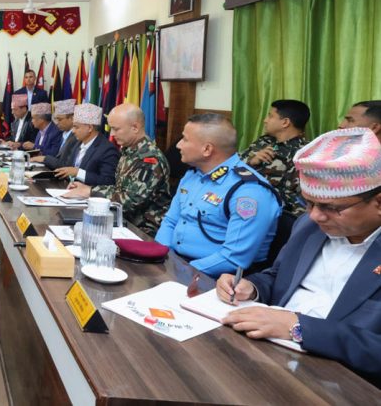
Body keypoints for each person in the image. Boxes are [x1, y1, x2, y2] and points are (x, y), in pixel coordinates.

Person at [216, 127, 381, 387]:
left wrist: (300, 328)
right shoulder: (309, 227)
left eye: (331, 207)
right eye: (309, 203)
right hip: (269, 353)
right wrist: (252, 287)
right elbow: (277, 276)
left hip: (340, 380)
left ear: (378, 203)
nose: (315, 216)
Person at [155, 113, 281, 276]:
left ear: (207, 149)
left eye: (185, 139)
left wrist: (180, 272)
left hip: (219, 277)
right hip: (176, 264)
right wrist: (160, 258)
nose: (178, 145)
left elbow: (233, 259)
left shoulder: (249, 191)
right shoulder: (193, 174)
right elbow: (170, 221)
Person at [64, 103, 171, 236]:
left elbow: (130, 201)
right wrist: (88, 188)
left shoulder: (149, 159)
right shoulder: (129, 151)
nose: (112, 134)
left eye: (116, 129)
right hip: (122, 221)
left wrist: (91, 192)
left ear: (135, 127)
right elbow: (118, 188)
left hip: (141, 230)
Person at [239, 99, 310, 218]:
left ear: (285, 122)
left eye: (270, 116)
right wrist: (251, 161)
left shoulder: (304, 154)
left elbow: (298, 199)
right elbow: (232, 166)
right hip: (241, 200)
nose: (265, 120)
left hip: (273, 213)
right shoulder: (264, 141)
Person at [54, 103, 119, 186]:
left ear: (90, 128)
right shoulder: (77, 143)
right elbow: (68, 169)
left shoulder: (107, 150)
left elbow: (108, 181)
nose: (73, 131)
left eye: (76, 127)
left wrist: (78, 172)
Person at [31, 99, 78, 169]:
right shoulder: (63, 133)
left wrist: (44, 158)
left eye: (60, 119)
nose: (57, 123)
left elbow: (66, 164)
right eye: (56, 119)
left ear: (71, 118)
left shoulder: (76, 137)